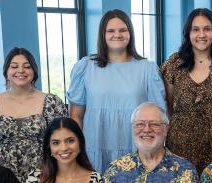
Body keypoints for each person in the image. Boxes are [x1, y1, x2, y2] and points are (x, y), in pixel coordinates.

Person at [68, 9, 166, 173]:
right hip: (94, 147)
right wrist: (76, 150)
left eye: (122, 30)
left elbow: (158, 116)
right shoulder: (85, 67)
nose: (117, 35)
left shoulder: (147, 69)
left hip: (134, 147)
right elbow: (76, 116)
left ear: (130, 33)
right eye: (111, 31)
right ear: (102, 34)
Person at [161, 8, 212, 172]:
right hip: (180, 144)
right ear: (188, 33)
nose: (202, 34)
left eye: (207, 29)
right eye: (195, 29)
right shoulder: (174, 64)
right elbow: (168, 105)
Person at [0, 47, 68, 183]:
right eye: (14, 66)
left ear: (34, 71)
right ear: (6, 72)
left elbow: (62, 140)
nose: (20, 71)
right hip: (2, 178)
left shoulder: (52, 102)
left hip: (44, 176)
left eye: (27, 67)